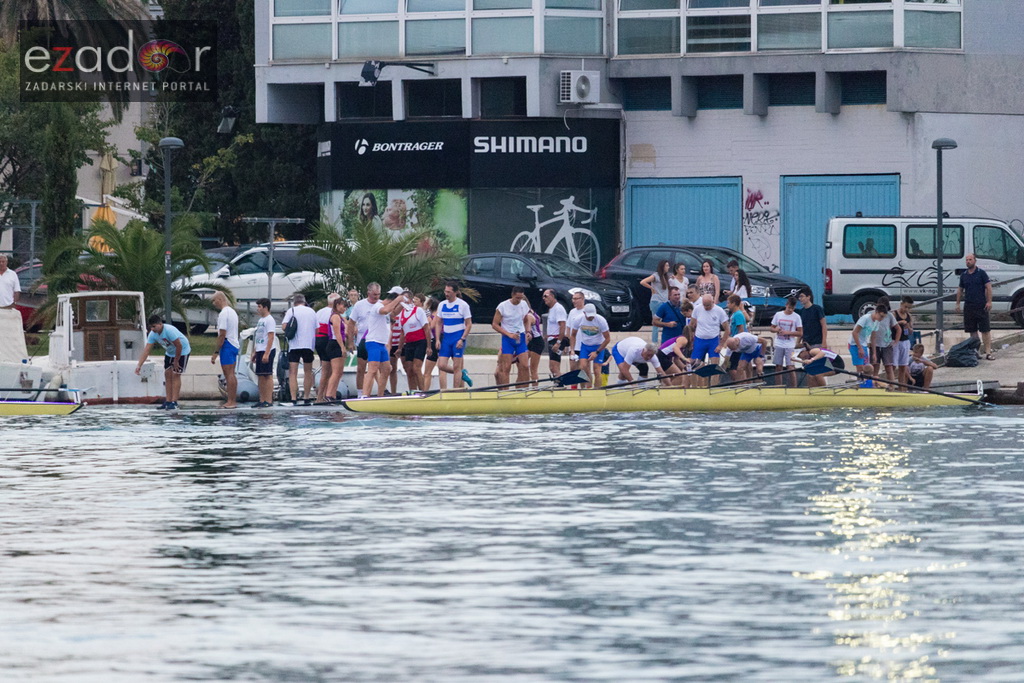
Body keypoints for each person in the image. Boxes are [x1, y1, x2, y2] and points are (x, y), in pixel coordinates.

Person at [348, 283, 405, 398]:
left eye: (378, 294)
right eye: (374, 294)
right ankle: (363, 395)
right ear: (368, 293)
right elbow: (351, 322)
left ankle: (380, 395)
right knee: (370, 369)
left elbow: (392, 312)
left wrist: (403, 304)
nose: (376, 297)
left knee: (386, 369)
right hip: (370, 340)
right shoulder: (375, 307)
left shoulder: (380, 304)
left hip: (381, 343)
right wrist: (350, 341)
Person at [135, 315, 191, 410]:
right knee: (167, 374)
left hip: (182, 351)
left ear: (160, 324)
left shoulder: (169, 331)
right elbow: (147, 350)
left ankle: (174, 402)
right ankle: (168, 401)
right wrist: (139, 365)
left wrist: (176, 361)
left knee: (176, 374)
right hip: (170, 353)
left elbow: (179, 346)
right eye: (151, 327)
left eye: (154, 326)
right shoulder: (153, 334)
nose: (152, 329)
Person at [955, 253, 994, 360]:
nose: (968, 261)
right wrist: (958, 303)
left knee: (985, 330)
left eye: (970, 259)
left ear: (975, 261)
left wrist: (989, 301)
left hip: (981, 305)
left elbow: (988, 287)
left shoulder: (981, 273)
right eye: (967, 260)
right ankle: (976, 351)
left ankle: (988, 352)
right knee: (972, 331)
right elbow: (960, 289)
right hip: (969, 305)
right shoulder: (964, 275)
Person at [436, 281, 474, 389]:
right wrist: (438, 339)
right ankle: (462, 373)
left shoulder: (463, 305)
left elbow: (469, 324)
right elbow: (439, 322)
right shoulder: (442, 304)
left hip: (458, 337)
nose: (446, 294)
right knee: (441, 365)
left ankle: (455, 390)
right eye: (445, 291)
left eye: (449, 292)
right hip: (447, 338)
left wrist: (462, 339)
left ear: (455, 292)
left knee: (457, 366)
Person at [282, 293, 318, 405]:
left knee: (293, 372)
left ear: (295, 302)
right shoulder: (312, 312)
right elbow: (317, 329)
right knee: (308, 371)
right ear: (304, 301)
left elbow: (284, 326)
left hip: (294, 345)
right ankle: (306, 397)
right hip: (308, 345)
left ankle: (293, 398)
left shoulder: (291, 311)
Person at [492, 287, 532, 387]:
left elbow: (526, 319)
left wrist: (528, 331)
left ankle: (524, 389)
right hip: (508, 338)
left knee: (525, 365)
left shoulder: (523, 304)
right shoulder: (503, 306)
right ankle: (505, 390)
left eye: (521, 298)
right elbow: (495, 324)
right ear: (512, 295)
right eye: (517, 298)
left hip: (520, 337)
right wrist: (508, 334)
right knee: (506, 367)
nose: (519, 300)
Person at [688, 294, 729, 386]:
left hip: (713, 340)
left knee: (714, 366)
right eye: (704, 305)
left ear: (713, 302)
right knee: (695, 365)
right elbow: (691, 325)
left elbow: (727, 329)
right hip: (699, 340)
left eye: (708, 305)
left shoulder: (719, 311)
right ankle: (695, 387)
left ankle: (714, 386)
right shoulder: (697, 309)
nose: (706, 307)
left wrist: (720, 345)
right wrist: (691, 339)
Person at [209, 291, 239, 409]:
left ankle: (231, 401)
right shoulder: (232, 312)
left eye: (214, 300)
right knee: (232, 374)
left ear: (220, 299)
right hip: (234, 344)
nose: (213, 303)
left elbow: (222, 334)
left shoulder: (223, 313)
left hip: (227, 344)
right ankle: (232, 400)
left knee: (228, 374)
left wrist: (216, 351)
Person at [569, 303, 610, 388]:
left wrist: (597, 352)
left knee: (597, 370)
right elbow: (573, 335)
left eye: (592, 315)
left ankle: (597, 390)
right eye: (589, 316)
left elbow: (607, 339)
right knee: (583, 367)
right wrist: (572, 349)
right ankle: (588, 387)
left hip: (598, 346)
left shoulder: (601, 320)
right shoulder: (579, 319)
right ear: (584, 313)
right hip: (585, 346)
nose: (591, 317)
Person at [848, 304, 888, 384]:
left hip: (864, 344)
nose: (881, 319)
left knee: (867, 368)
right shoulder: (865, 318)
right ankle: (860, 384)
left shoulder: (877, 322)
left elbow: (873, 338)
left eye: (883, 317)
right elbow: (855, 332)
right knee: (860, 367)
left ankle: (866, 384)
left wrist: (874, 353)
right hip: (854, 344)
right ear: (876, 312)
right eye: (881, 316)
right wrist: (859, 348)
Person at [398, 293, 430, 392]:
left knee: (416, 368)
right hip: (409, 344)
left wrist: (429, 346)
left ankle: (423, 391)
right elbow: (402, 332)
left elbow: (426, 329)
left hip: (420, 342)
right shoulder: (402, 314)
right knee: (409, 370)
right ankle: (413, 391)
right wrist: (399, 348)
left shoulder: (419, 311)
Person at [770, 296, 803, 388]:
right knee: (778, 366)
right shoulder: (778, 314)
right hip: (779, 343)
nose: (790, 310)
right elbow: (771, 328)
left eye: (792, 308)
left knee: (790, 366)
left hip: (790, 344)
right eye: (789, 308)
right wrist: (776, 329)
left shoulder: (797, 317)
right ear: (786, 305)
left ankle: (794, 387)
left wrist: (788, 332)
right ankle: (778, 386)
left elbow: (800, 332)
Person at [314, 292, 341, 402]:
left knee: (325, 369)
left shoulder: (319, 312)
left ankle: (321, 396)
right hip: (327, 339)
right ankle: (326, 395)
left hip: (318, 339)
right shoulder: (334, 314)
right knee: (331, 371)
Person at [250, 298, 277, 408]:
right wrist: (255, 352)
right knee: (260, 376)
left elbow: (270, 337)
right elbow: (259, 337)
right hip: (260, 349)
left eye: (259, 307)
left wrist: (267, 353)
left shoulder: (269, 320)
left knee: (267, 375)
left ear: (265, 307)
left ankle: (269, 400)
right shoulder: (261, 320)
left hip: (267, 349)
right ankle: (262, 399)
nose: (258, 309)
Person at [321, 296, 348, 404]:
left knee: (339, 372)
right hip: (335, 344)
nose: (345, 308)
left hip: (336, 344)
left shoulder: (339, 317)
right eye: (343, 306)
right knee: (336, 372)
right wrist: (342, 347)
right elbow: (337, 333)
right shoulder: (335, 317)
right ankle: (329, 394)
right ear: (337, 305)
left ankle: (332, 394)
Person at [871, 295, 901, 387]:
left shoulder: (889, 315)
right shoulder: (872, 314)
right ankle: (875, 385)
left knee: (888, 366)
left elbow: (898, 329)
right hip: (875, 344)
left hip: (886, 344)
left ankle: (892, 386)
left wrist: (896, 341)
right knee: (875, 365)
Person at [641, 259, 671, 342]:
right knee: (656, 323)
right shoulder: (656, 276)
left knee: (665, 321)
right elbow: (643, 282)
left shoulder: (666, 277)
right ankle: (654, 342)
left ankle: (664, 341)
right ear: (662, 267)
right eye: (667, 266)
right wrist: (651, 288)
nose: (668, 267)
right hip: (656, 301)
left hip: (664, 301)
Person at [543, 289, 568, 377]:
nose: (544, 298)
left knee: (554, 366)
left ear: (552, 296)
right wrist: (547, 335)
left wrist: (558, 342)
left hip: (557, 340)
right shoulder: (552, 309)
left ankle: (560, 384)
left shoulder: (558, 308)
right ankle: (558, 381)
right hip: (552, 339)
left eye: (546, 296)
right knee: (552, 366)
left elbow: (562, 325)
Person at [892, 295, 915, 389]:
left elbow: (911, 331)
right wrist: (899, 323)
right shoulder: (894, 314)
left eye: (909, 308)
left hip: (905, 341)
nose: (906, 309)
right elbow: (889, 326)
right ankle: (891, 385)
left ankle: (902, 387)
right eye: (905, 307)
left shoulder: (909, 316)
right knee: (893, 365)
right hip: (895, 341)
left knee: (903, 366)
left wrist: (908, 327)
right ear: (901, 304)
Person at [725, 294, 748, 380]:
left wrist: (736, 344)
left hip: (736, 345)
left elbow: (741, 330)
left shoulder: (738, 315)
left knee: (733, 367)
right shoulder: (734, 314)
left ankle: (739, 382)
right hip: (733, 343)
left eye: (728, 303)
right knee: (732, 366)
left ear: (734, 303)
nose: (727, 305)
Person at [565, 290, 587, 374]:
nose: (574, 301)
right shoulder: (572, 312)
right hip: (574, 346)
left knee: (583, 370)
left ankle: (584, 386)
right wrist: (568, 346)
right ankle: (574, 386)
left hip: (584, 346)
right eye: (573, 299)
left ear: (582, 299)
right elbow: (568, 328)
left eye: (576, 299)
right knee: (573, 369)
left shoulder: (586, 312)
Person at [421, 297, 441, 392]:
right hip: (431, 341)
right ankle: (425, 390)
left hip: (435, 341)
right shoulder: (432, 314)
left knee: (427, 372)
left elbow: (431, 326)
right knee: (427, 372)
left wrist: (428, 319)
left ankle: (425, 391)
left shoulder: (436, 314)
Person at [525, 302, 544, 387]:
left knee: (533, 369)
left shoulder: (529, 316)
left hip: (536, 341)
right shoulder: (532, 312)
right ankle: (525, 385)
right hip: (532, 341)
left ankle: (535, 388)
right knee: (523, 365)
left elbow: (528, 332)